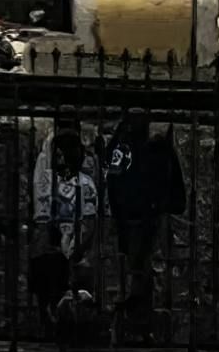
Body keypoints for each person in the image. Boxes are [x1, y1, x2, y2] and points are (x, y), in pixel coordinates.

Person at [105, 113, 185, 335]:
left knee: (138, 270)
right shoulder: (150, 150)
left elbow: (112, 173)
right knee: (141, 271)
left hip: (138, 218)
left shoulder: (145, 150)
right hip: (140, 218)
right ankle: (140, 321)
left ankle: (138, 320)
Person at [28, 113, 98, 337]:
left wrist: (75, 245)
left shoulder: (83, 184)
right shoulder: (48, 176)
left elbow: (88, 219)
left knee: (73, 284)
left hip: (72, 240)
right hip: (54, 240)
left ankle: (67, 325)